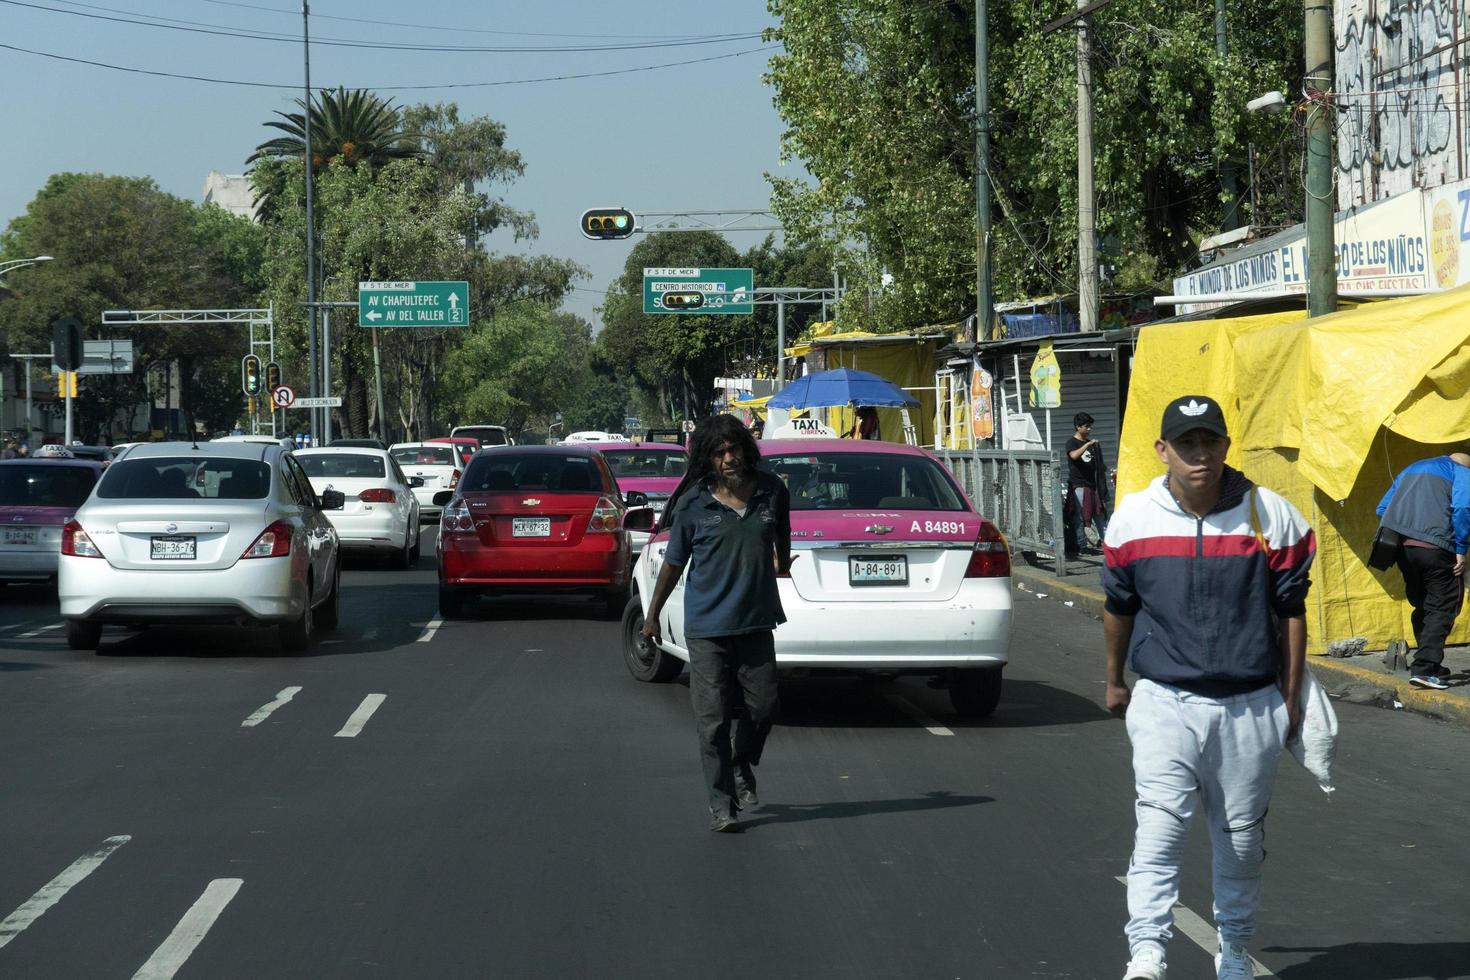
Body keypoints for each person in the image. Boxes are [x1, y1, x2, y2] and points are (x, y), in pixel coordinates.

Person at [1101, 395, 1316, 980]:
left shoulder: (1271, 516)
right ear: (1162, 450)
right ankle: (1146, 954)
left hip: (1250, 705)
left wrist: (1290, 700)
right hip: (1165, 701)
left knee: (1242, 839)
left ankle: (1234, 953)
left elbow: (1290, 610)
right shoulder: (1133, 520)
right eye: (1187, 443)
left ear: (1226, 445)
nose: (1200, 455)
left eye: (1210, 442)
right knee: (1160, 827)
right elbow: (1118, 606)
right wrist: (1115, 681)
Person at [640, 414, 793, 833]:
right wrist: (651, 617)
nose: (729, 459)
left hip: (757, 622)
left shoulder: (771, 490)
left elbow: (781, 532)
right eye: (720, 453)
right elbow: (673, 565)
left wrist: (781, 560)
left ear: (747, 448)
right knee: (712, 724)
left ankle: (741, 762)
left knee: (764, 708)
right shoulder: (693, 504)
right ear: (707, 459)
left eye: (735, 450)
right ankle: (721, 804)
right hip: (707, 629)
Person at [1373, 451, 1470, 690]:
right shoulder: (1461, 472)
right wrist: (1461, 548)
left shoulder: (1412, 467)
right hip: (1437, 547)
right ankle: (1425, 669)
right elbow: (1463, 508)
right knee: (1443, 605)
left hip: (1403, 549)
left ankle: (1431, 665)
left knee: (1424, 605)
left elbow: (1382, 508)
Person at [1064, 412, 1110, 557]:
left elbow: (1098, 465)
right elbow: (1073, 455)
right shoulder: (1072, 442)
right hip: (1079, 485)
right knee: (1079, 517)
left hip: (1092, 485)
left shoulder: (1091, 444)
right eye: (1086, 426)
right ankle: (1081, 545)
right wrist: (1088, 444)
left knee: (1099, 514)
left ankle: (1108, 543)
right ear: (1078, 427)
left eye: (1090, 426)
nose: (1089, 429)